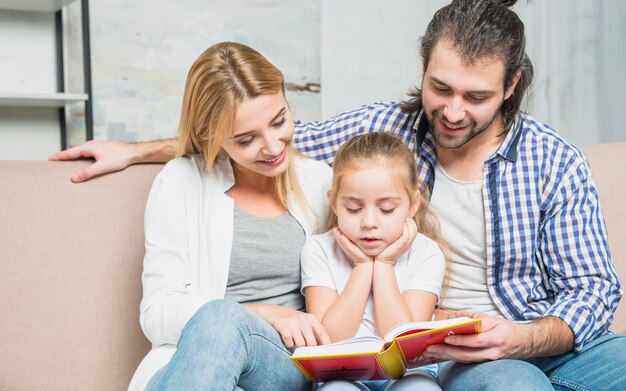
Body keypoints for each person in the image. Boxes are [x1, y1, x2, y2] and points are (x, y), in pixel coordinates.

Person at [52, 0, 626, 389]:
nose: (452, 111)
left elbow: (595, 289)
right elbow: (244, 140)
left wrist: (523, 337)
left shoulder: (554, 161)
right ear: (422, 68)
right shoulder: (383, 134)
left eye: (475, 97)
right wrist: (132, 151)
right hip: (417, 353)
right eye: (439, 87)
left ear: (511, 86)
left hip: (531, 331)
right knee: (510, 382)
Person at [128, 41, 333, 391]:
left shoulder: (320, 182)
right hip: (198, 365)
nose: (272, 146)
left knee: (221, 318)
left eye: (279, 121)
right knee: (221, 319)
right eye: (246, 139)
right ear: (212, 136)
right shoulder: (179, 182)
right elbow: (156, 314)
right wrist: (260, 311)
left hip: (282, 366)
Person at [302, 132, 445, 391]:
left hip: (409, 373)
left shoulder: (427, 253)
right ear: (333, 202)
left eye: (387, 209)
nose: (369, 222)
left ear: (412, 205)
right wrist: (362, 267)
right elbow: (330, 340)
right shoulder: (318, 249)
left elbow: (403, 347)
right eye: (354, 209)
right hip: (341, 373)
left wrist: (385, 265)